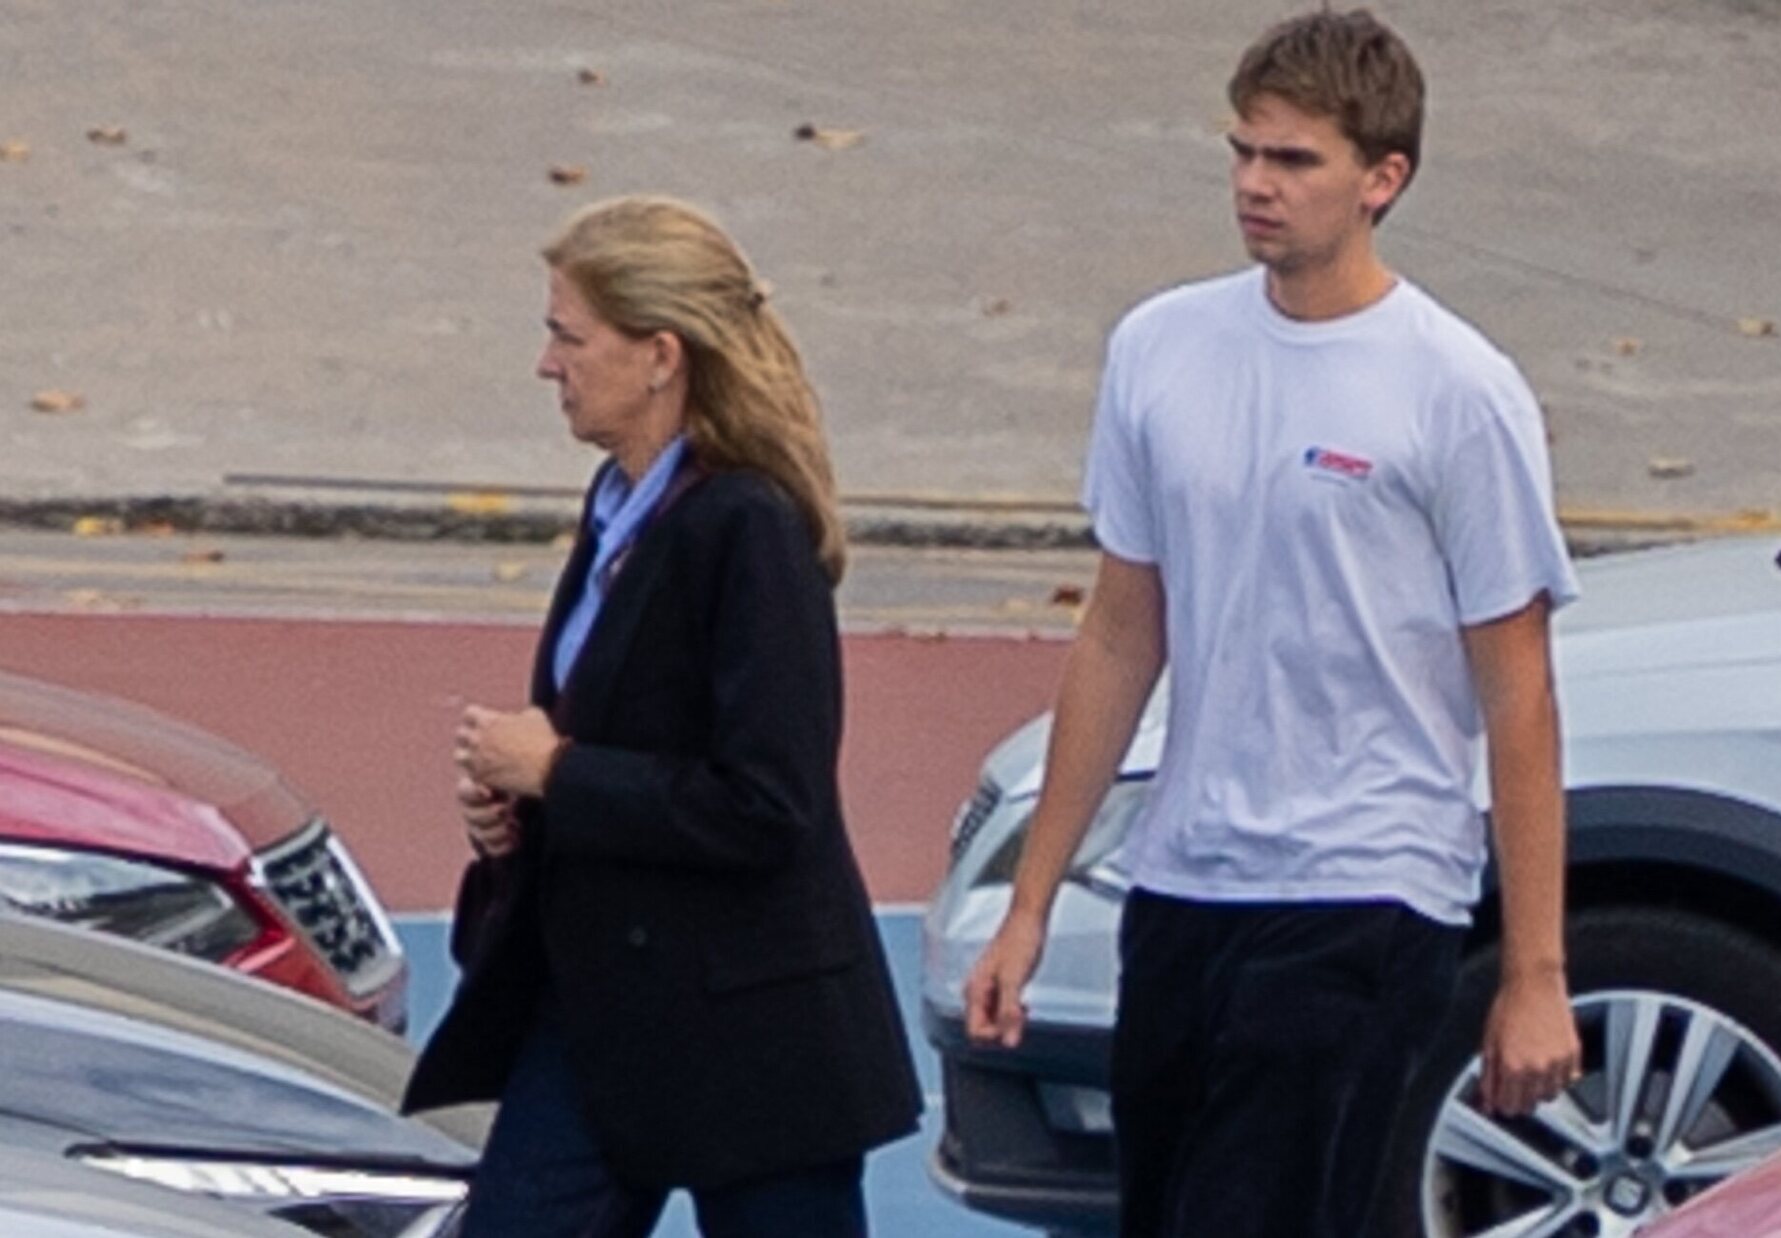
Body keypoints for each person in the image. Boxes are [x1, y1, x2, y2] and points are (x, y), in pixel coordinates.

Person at [961, 10, 1583, 1237]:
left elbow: (1517, 693)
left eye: (1293, 160)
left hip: (1367, 888)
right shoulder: (1157, 348)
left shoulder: (1457, 391)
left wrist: (1533, 973)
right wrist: (1028, 906)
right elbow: (1120, 633)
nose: (1255, 184)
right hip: (1185, 888)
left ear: (1380, 179)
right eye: (1243, 151)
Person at [403, 195, 921, 1238]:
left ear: (659, 354)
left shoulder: (747, 528)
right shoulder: (616, 505)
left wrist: (558, 772)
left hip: (754, 1036)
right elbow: (615, 737)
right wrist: (513, 809)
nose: (546, 364)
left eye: (566, 335)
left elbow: (768, 801)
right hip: (601, 1010)